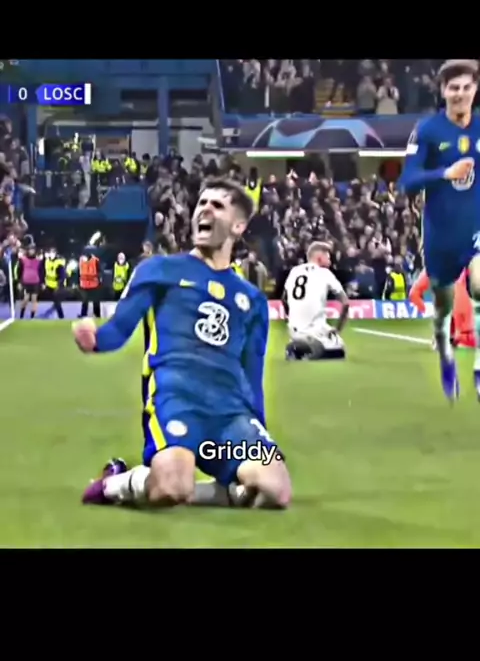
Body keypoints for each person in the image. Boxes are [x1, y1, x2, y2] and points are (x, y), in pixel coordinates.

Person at [74, 178, 291, 510]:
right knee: (171, 488)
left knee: (276, 490)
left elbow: (253, 371)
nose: (205, 209)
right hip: (176, 399)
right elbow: (119, 327)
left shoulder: (252, 299)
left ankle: (199, 487)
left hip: (230, 414)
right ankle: (116, 483)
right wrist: (95, 340)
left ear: (238, 226)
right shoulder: (160, 270)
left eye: (217, 205)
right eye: (202, 203)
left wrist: (259, 428)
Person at [399, 59, 480, 399]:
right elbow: (407, 181)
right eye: (453, 87)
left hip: (476, 230)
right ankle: (445, 353)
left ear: (475, 89)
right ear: (443, 91)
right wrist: (445, 173)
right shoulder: (428, 131)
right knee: (443, 308)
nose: (459, 93)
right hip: (440, 237)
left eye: (466, 87)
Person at [283, 241, 349, 360]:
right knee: (339, 348)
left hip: (293, 329)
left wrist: (290, 318)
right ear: (319, 258)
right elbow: (346, 303)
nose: (330, 262)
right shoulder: (325, 273)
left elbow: (284, 299)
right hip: (316, 330)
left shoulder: (294, 271)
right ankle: (312, 348)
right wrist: (338, 328)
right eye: (328, 258)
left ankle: (298, 346)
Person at [16, 244, 43, 319]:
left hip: (35, 282)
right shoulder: (23, 260)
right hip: (26, 282)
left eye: (33, 250)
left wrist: (42, 282)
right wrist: (19, 282)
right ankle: (21, 316)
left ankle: (32, 318)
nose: (31, 251)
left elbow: (41, 272)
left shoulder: (38, 261)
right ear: (28, 251)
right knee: (26, 299)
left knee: (34, 300)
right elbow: (19, 271)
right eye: (30, 250)